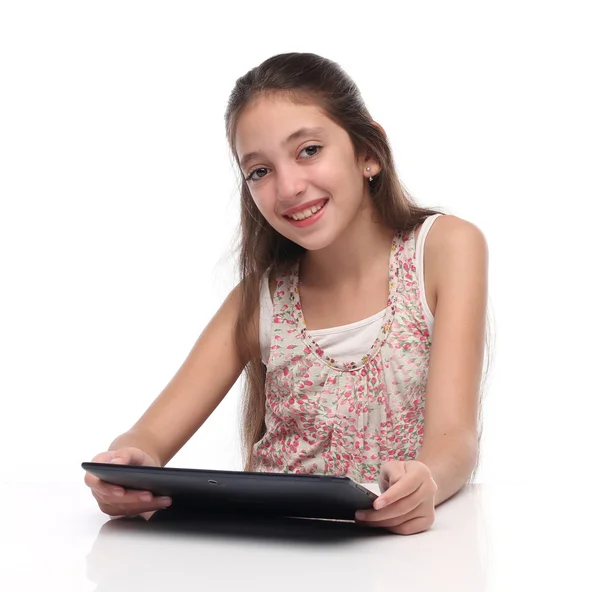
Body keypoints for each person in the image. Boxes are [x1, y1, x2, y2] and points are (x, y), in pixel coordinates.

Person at [84, 52, 491, 535]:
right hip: (271, 549)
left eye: (309, 150)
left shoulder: (445, 249)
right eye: (259, 171)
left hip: (394, 558)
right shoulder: (262, 297)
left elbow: (454, 440)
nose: (289, 187)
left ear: (369, 153)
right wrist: (128, 463)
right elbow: (148, 437)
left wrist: (426, 481)